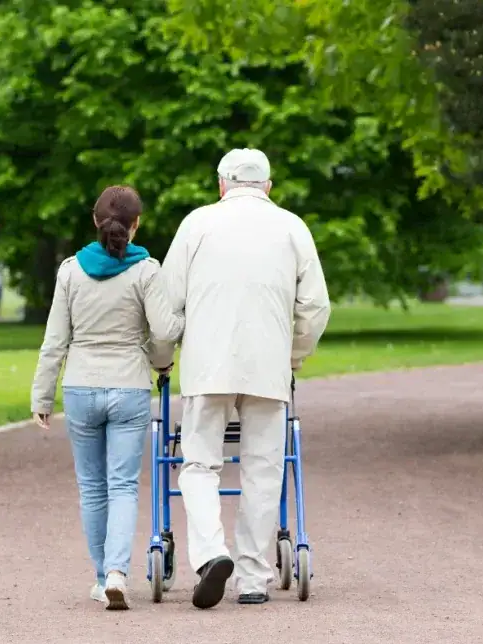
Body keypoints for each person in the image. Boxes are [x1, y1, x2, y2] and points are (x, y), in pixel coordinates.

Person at [160, 148, 330, 609]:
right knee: (262, 468)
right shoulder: (292, 226)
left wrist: (163, 354)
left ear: (221, 185)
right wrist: (293, 355)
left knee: (199, 464)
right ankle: (253, 577)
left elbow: (165, 303)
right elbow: (315, 307)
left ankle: (212, 552)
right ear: (268, 188)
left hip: (207, 365)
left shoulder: (196, 224)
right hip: (267, 367)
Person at [30, 185, 184, 610]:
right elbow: (165, 332)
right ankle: (118, 571)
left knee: (92, 489)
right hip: (130, 387)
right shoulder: (147, 271)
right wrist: (160, 363)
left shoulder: (69, 272)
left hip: (81, 388)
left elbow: (55, 341)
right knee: (122, 486)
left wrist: (42, 395)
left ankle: (102, 578)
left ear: (95, 222)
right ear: (136, 225)